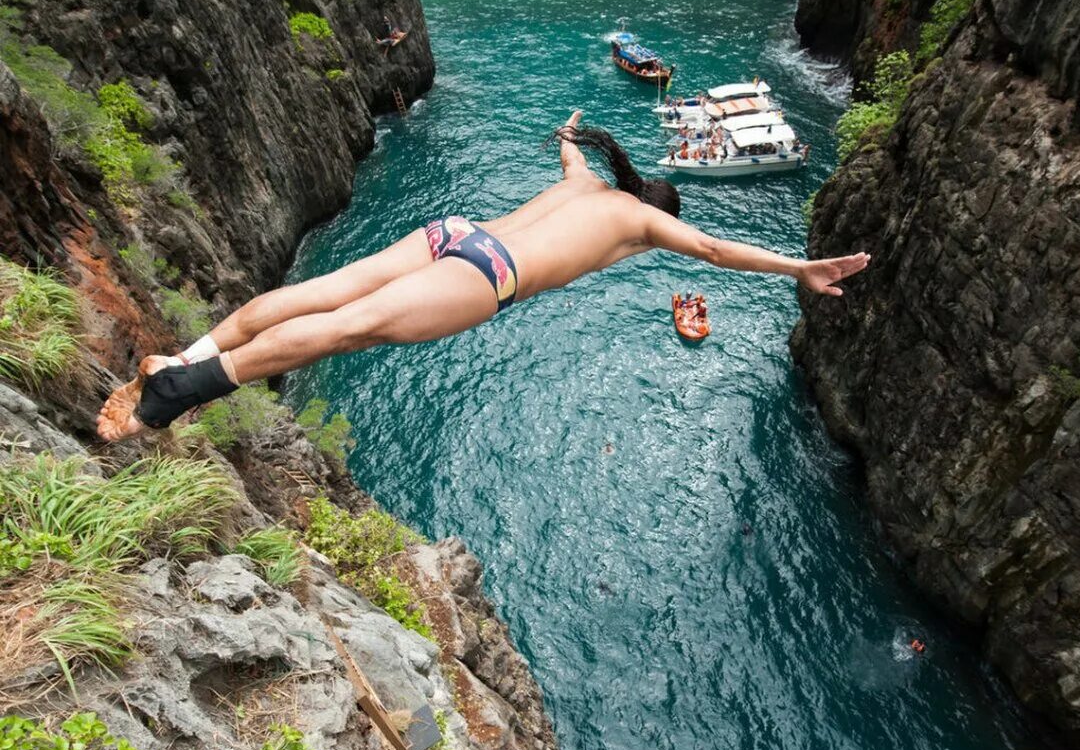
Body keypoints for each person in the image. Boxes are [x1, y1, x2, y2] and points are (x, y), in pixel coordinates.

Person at [95, 110, 870, 441]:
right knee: (343, 328)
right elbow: (714, 251)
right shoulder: (643, 223)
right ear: (655, 214)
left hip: (454, 232)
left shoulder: (585, 183)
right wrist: (797, 264)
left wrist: (571, 132)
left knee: (314, 295)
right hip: (488, 273)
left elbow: (569, 144)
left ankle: (188, 356)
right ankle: (177, 394)